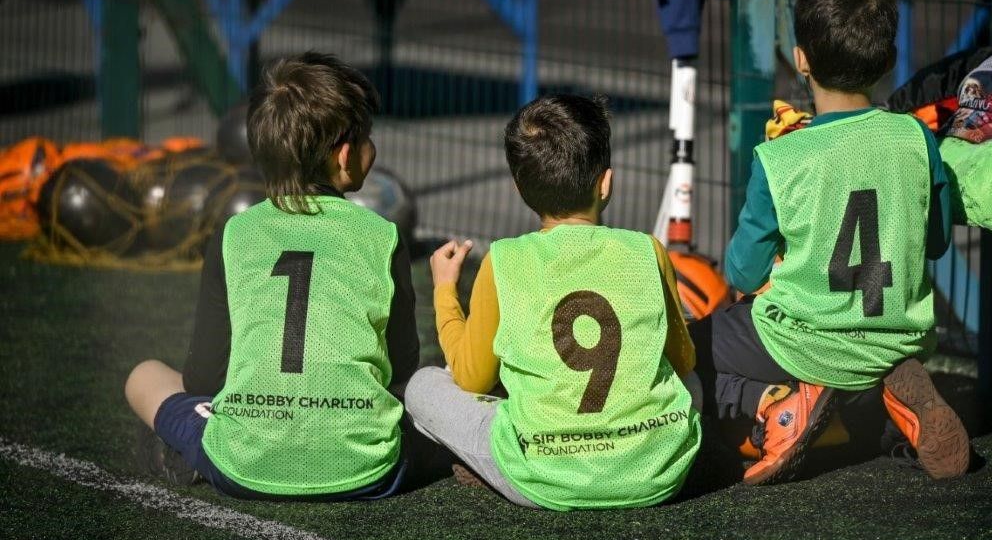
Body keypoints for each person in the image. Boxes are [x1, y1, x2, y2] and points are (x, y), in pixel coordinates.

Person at [691, 0, 970, 486]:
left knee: (686, 348)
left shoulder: (782, 155)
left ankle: (777, 407)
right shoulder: (916, 138)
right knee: (865, 376)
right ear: (886, 61)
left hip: (805, 340)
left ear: (801, 60)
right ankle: (885, 406)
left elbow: (743, 271)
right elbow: (936, 243)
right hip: (896, 340)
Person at [124, 52, 425, 500]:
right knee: (432, 391)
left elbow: (204, 378)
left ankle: (189, 448)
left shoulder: (234, 233)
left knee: (144, 375)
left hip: (242, 465)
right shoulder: (382, 235)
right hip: (368, 469)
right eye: (367, 139)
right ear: (344, 156)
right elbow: (402, 368)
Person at [404, 94, 703, 510]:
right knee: (687, 383)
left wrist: (444, 292)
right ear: (606, 182)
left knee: (422, 387)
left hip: (543, 474)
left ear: (518, 187)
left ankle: (496, 464)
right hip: (657, 471)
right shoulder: (647, 249)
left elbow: (471, 378)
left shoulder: (502, 260)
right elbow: (684, 362)